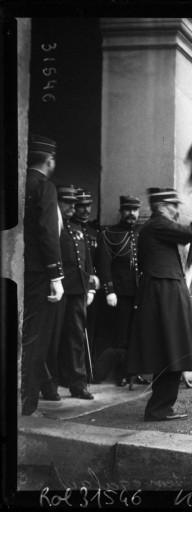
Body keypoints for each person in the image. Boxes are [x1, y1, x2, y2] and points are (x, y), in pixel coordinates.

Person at [127, 187, 192, 421]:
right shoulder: (157, 225)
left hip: (166, 293)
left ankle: (161, 406)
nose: (176, 210)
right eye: (173, 206)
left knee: (169, 352)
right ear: (161, 206)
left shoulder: (156, 227)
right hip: (164, 295)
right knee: (170, 351)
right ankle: (159, 408)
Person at [20, 135, 64, 415]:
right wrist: (56, 276)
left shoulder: (21, 182)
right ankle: (27, 402)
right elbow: (48, 233)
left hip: (18, 268)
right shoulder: (44, 187)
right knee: (35, 338)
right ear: (49, 161)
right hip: (38, 273)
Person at [47, 185, 96, 400]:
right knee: (53, 338)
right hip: (57, 291)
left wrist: (91, 286)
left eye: (74, 204)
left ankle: (78, 384)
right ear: (58, 202)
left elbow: (87, 263)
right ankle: (48, 385)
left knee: (75, 338)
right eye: (67, 203)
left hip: (77, 291)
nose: (72, 208)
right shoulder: (52, 227)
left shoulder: (77, 230)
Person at [96, 195, 145, 385]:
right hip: (121, 293)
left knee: (137, 333)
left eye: (134, 210)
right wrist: (109, 290)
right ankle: (121, 374)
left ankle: (134, 372)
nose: (131, 214)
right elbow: (104, 265)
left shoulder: (142, 232)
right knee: (121, 335)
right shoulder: (110, 233)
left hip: (140, 292)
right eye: (127, 210)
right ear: (121, 212)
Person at [72, 188, 101, 379]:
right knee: (75, 332)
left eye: (88, 206)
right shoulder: (70, 229)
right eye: (81, 206)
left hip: (93, 288)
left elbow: (96, 261)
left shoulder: (93, 231)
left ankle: (92, 371)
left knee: (92, 330)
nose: (85, 210)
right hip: (75, 287)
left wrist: (94, 287)